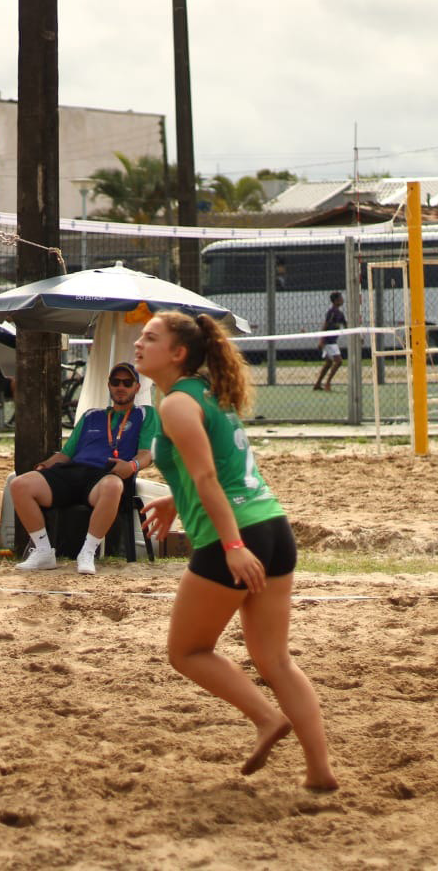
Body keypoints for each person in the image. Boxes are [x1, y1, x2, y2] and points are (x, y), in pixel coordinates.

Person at [133, 310, 337, 791]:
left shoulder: (176, 404)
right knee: (276, 660)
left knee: (187, 651)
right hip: (272, 526)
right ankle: (320, 770)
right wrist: (172, 498)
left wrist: (231, 546)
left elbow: (207, 477)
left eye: (150, 337)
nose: (138, 344)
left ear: (178, 353)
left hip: (236, 537)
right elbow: (217, 469)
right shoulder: (205, 394)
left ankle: (266, 720)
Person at [11, 361, 159, 576]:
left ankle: (87, 552)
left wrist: (132, 465)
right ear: (108, 385)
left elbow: (146, 454)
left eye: (127, 383)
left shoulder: (145, 414)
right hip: (73, 471)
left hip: (106, 474)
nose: (121, 387)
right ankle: (43, 551)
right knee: (20, 484)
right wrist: (45, 465)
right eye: (116, 382)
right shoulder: (91, 415)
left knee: (113, 485)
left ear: (137, 388)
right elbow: (65, 454)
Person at [312, 292, 347, 391]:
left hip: (333, 341)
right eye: (341, 298)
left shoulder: (340, 314)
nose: (342, 300)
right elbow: (326, 325)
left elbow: (346, 325)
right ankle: (327, 383)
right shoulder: (331, 312)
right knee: (338, 361)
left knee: (329, 362)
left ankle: (318, 384)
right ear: (336, 301)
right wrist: (321, 340)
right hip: (328, 341)